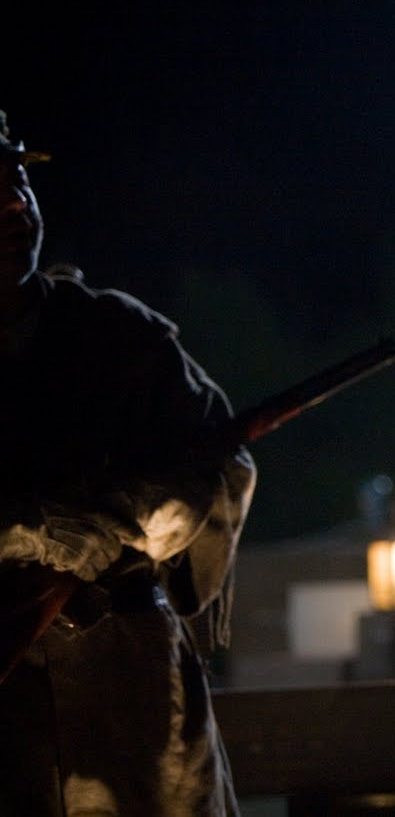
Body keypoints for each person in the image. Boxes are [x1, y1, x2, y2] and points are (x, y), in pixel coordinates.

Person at [0, 115, 256, 815]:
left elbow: (220, 457)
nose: (15, 205)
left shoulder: (118, 334)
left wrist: (139, 517)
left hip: (134, 693)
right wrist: (26, 531)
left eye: (18, 181)